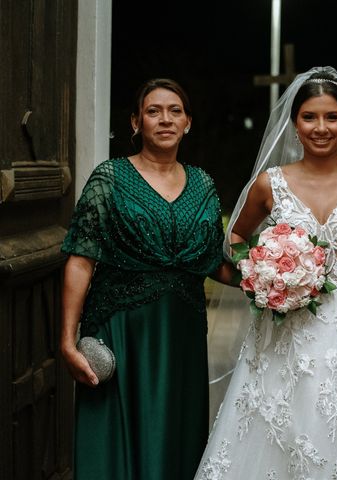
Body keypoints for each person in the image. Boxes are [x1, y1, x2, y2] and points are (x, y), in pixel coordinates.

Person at [194, 67, 337, 479]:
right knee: (279, 434)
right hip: (284, 333)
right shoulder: (269, 184)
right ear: (294, 123)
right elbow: (236, 236)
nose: (321, 127)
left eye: (331, 117)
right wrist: (263, 272)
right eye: (310, 117)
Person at [60, 78, 234, 479]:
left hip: (182, 336)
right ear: (136, 122)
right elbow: (81, 259)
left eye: (175, 111)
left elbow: (213, 261)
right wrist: (67, 340)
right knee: (115, 442)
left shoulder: (204, 184)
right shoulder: (110, 178)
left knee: (174, 438)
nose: (165, 119)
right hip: (121, 329)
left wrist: (275, 277)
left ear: (188, 122)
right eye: (153, 111)